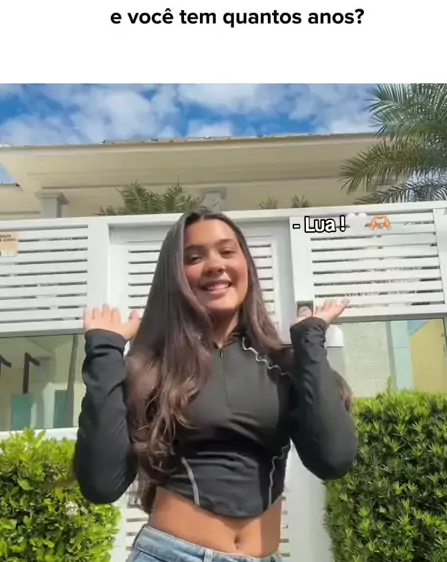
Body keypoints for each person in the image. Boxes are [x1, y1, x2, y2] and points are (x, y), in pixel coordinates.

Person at [73, 208, 357, 562]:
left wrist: (310, 340)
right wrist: (104, 351)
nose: (214, 265)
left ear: (246, 265)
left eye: (226, 251)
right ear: (176, 276)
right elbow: (101, 484)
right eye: (194, 258)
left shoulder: (283, 366)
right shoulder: (151, 368)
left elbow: (333, 459)